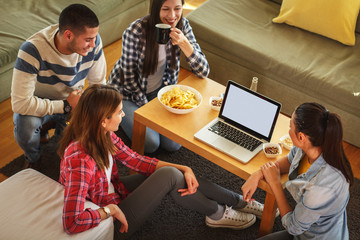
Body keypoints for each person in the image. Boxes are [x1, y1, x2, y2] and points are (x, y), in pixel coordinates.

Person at [58, 84, 267, 238]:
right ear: (103, 120)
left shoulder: (102, 134)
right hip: (112, 221)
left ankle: (239, 202)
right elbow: (71, 222)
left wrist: (185, 167)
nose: (123, 115)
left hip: (111, 191)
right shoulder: (81, 160)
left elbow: (136, 161)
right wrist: (108, 211)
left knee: (178, 174)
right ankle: (218, 213)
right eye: (119, 112)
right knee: (170, 176)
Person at [11, 4, 106, 169]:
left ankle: (58, 146)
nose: (93, 44)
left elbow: (98, 84)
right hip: (41, 103)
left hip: (74, 102)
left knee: (66, 152)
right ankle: (33, 158)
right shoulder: (32, 50)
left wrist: (94, 110)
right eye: (88, 40)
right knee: (25, 127)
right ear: (68, 35)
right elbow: (20, 103)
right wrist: (65, 106)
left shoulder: (94, 42)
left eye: (94, 38)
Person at [107, 0, 210, 154]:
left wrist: (185, 44)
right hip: (127, 93)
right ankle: (115, 114)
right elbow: (128, 80)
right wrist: (150, 111)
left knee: (173, 144)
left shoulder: (183, 26)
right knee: (150, 143)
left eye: (177, 9)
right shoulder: (135, 31)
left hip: (159, 92)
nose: (172, 15)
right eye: (166, 9)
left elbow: (203, 71)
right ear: (156, 9)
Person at [242, 102, 354, 240]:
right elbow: (289, 161)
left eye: (290, 126)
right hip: (305, 230)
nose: (288, 130)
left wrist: (275, 183)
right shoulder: (311, 147)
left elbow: (293, 227)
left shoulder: (321, 186)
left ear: (301, 137)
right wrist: (259, 173)